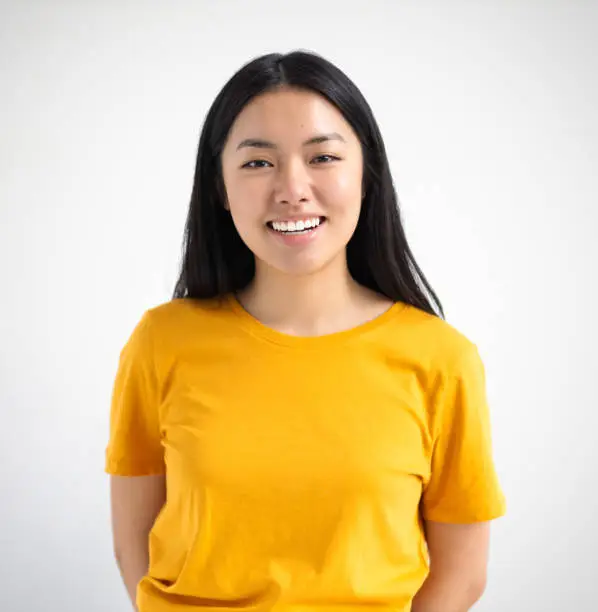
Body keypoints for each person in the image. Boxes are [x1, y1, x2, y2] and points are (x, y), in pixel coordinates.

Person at [105, 50, 506, 612]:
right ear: (219, 188)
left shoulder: (442, 359)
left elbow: (461, 577)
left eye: (322, 157)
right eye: (257, 163)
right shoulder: (160, 343)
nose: (292, 188)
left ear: (366, 174)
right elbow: (134, 548)